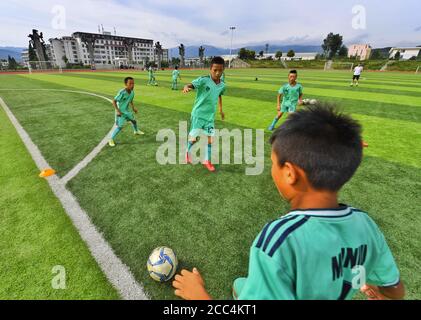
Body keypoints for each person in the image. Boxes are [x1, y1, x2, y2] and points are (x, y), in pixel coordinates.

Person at [172, 104, 405, 300]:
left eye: (274, 163)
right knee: (241, 284)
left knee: (242, 286)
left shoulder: (279, 239)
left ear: (290, 173)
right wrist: (374, 288)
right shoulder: (365, 224)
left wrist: (199, 295)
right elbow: (394, 289)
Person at [183, 56, 226, 172]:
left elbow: (219, 95)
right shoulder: (203, 80)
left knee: (210, 140)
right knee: (193, 139)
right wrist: (186, 87)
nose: (217, 73)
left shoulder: (222, 84)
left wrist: (221, 110)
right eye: (215, 70)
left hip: (210, 117)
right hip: (198, 115)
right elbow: (191, 85)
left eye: (220, 70)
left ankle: (206, 160)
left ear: (223, 70)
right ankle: (187, 153)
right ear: (210, 69)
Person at [108, 77, 144, 147]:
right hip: (120, 112)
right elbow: (114, 101)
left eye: (133, 83)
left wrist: (133, 108)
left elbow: (130, 100)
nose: (132, 85)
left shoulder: (132, 92)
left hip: (126, 111)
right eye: (130, 83)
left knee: (134, 121)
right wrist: (118, 111)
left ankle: (136, 131)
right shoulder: (122, 92)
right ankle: (111, 139)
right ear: (125, 84)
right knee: (120, 127)